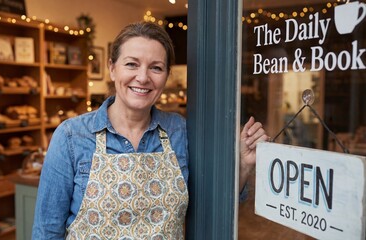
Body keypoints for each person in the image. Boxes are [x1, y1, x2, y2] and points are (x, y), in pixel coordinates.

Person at [32, 21, 268, 239]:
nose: (143, 77)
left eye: (156, 68)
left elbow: (211, 210)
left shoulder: (180, 131)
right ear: (112, 68)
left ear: (166, 76)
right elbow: (47, 231)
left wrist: (244, 165)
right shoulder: (71, 137)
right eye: (131, 64)